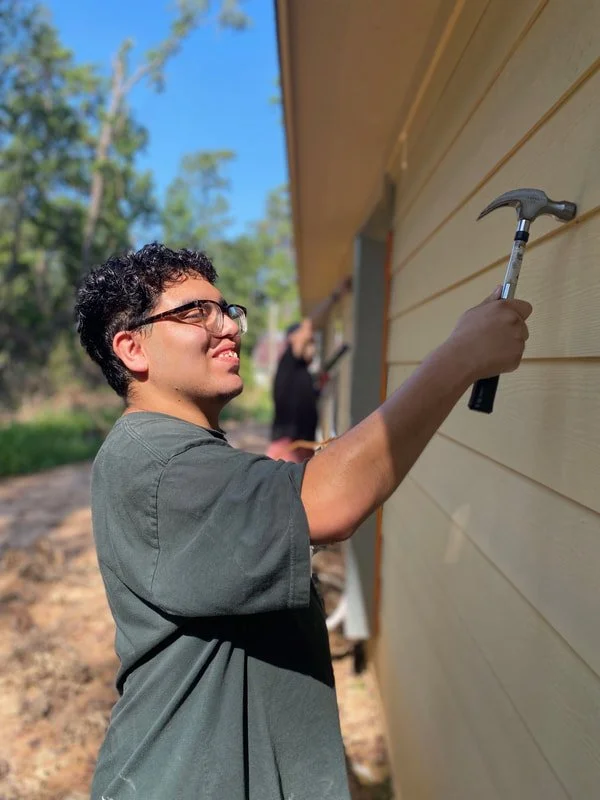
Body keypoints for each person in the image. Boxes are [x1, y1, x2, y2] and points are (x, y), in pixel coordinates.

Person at [75, 242, 531, 800]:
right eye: (196, 312)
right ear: (131, 350)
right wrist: (460, 356)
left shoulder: (176, 450)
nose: (229, 327)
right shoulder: (159, 463)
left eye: (227, 310)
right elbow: (329, 505)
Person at [267, 318, 318, 463]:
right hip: (288, 443)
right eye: (309, 343)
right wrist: (334, 299)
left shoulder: (303, 370)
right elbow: (303, 333)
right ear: (292, 338)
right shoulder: (289, 359)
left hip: (304, 442)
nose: (313, 348)